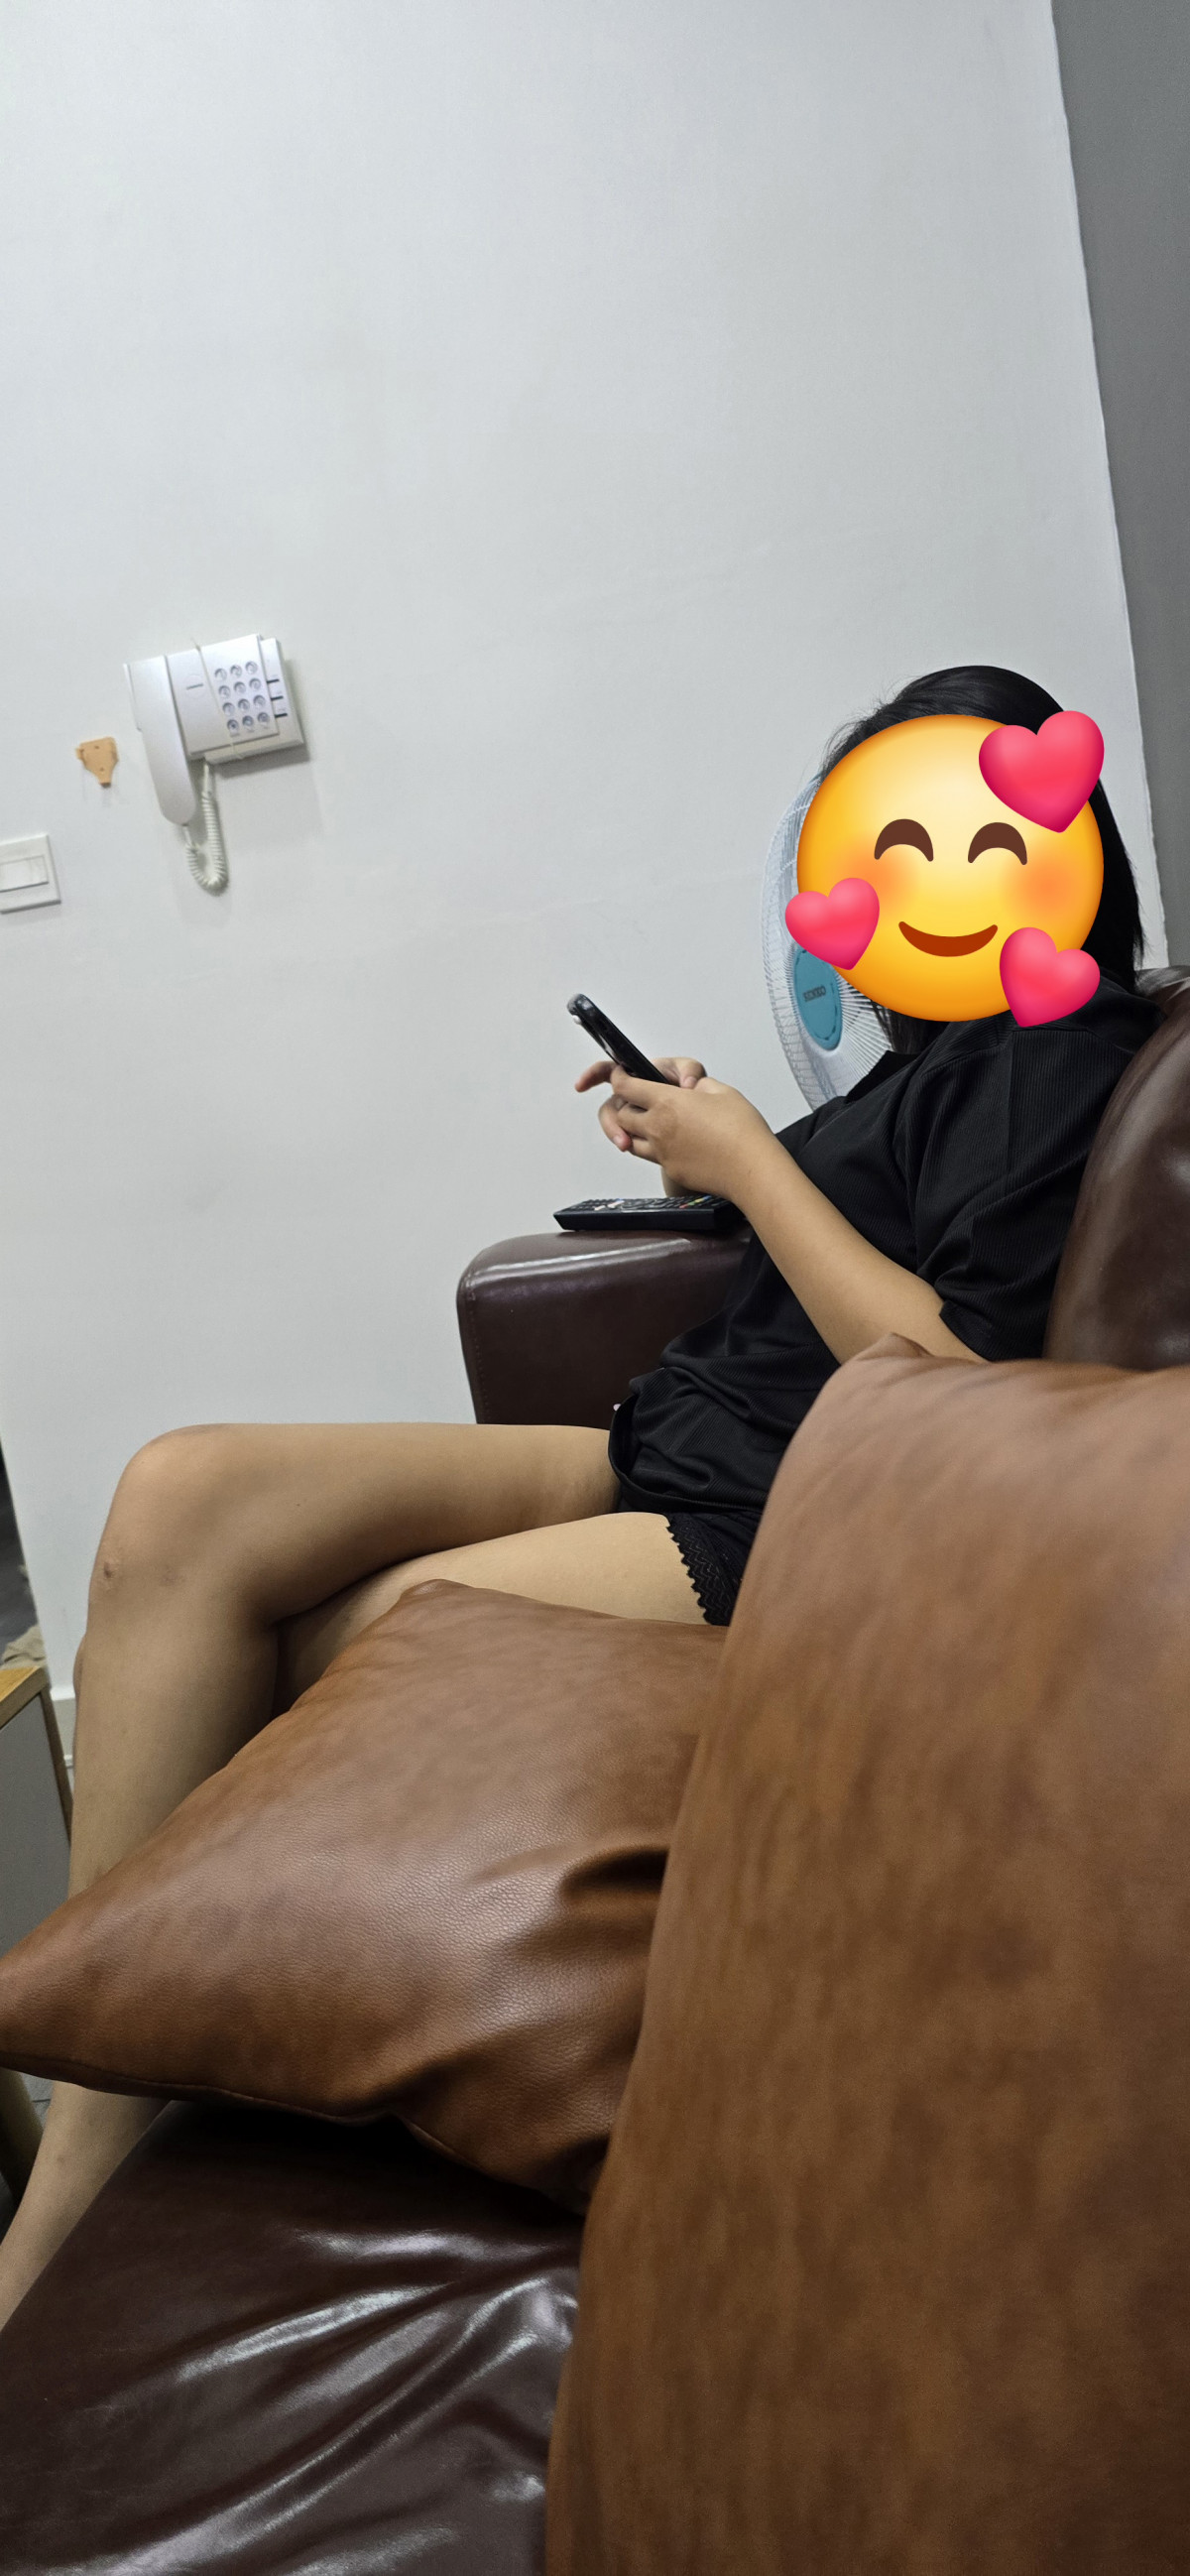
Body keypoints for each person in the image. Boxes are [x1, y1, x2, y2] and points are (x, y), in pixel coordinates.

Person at [0, 663, 1158, 2329]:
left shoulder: (1060, 1052)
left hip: (774, 1518)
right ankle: (92, 2102)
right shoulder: (936, 1060)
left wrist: (752, 1158)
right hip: (661, 1440)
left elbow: (957, 1377)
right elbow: (856, 1250)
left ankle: (71, 2191)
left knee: (332, 1647)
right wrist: (713, 1142)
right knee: (183, 1496)